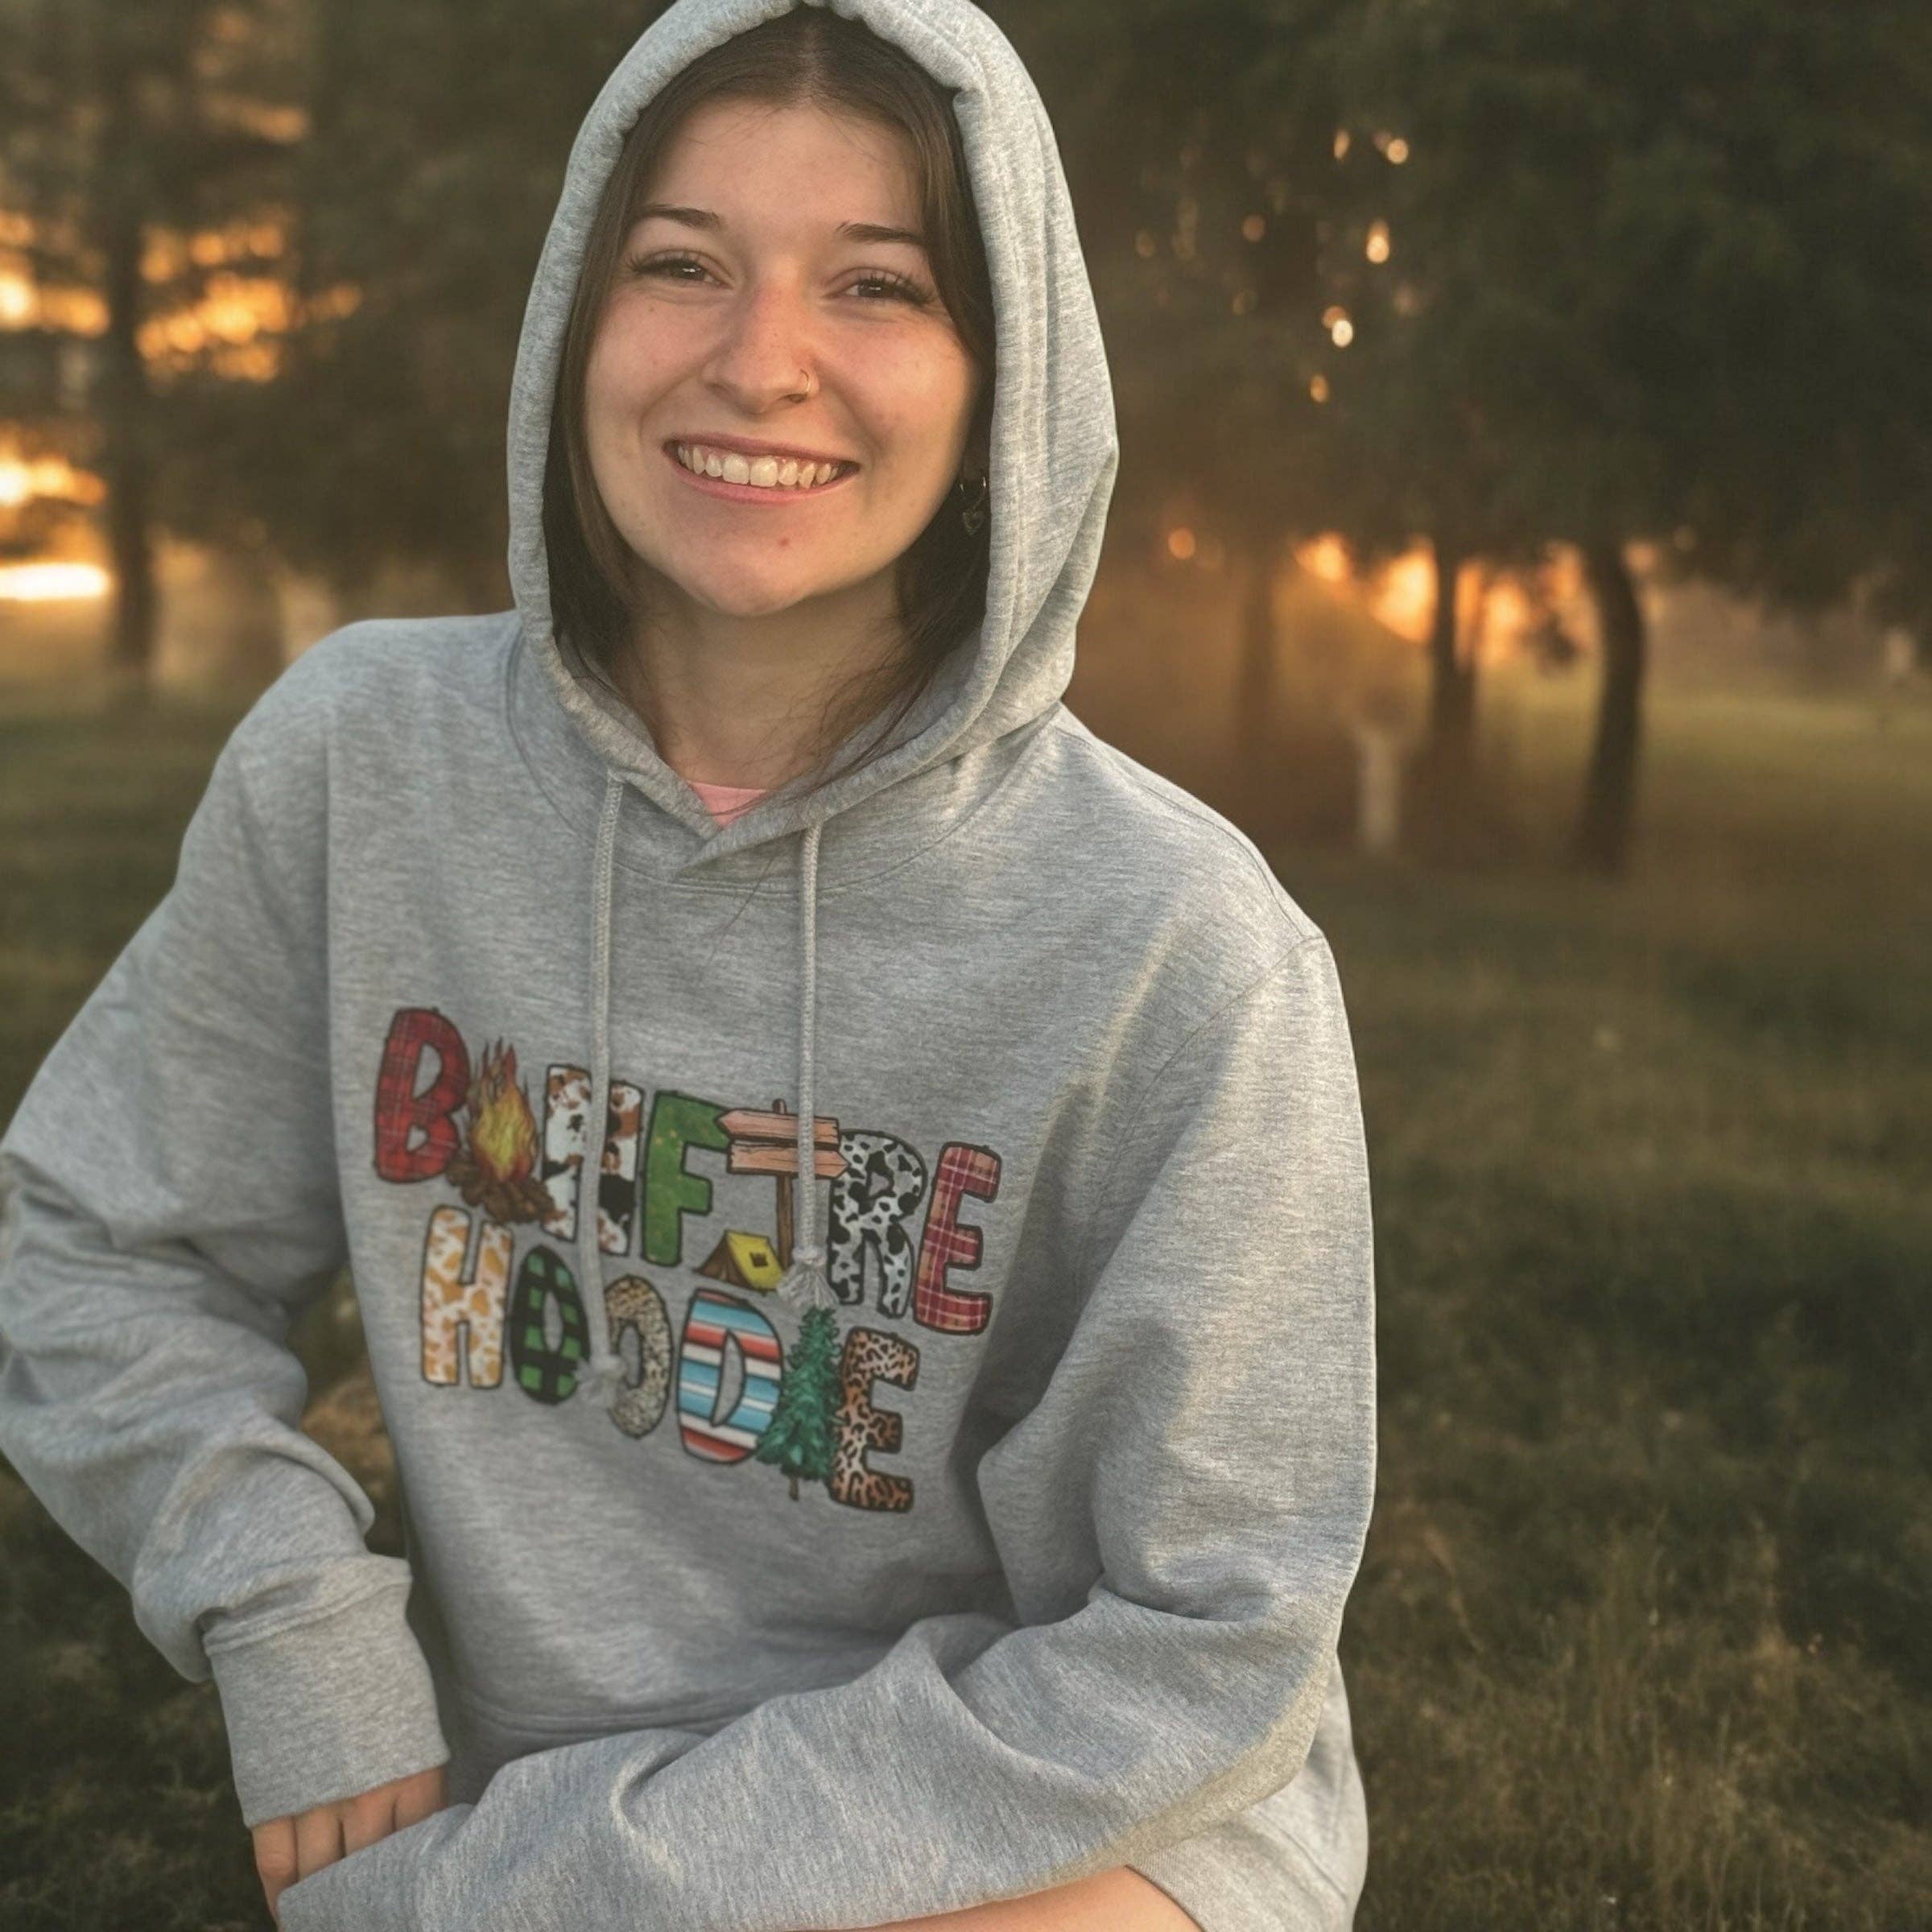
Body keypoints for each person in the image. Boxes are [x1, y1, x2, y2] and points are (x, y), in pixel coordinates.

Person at [0, 1, 1378, 1928]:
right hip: (535, 1795)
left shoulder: (1182, 945)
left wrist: (535, 1894)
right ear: (580, 311)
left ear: (1009, 378)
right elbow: (91, 1242)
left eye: (877, 284)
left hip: (1049, 1802)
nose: (760, 360)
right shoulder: (364, 765)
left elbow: (1204, 1637)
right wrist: (287, 1608)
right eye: (682, 265)